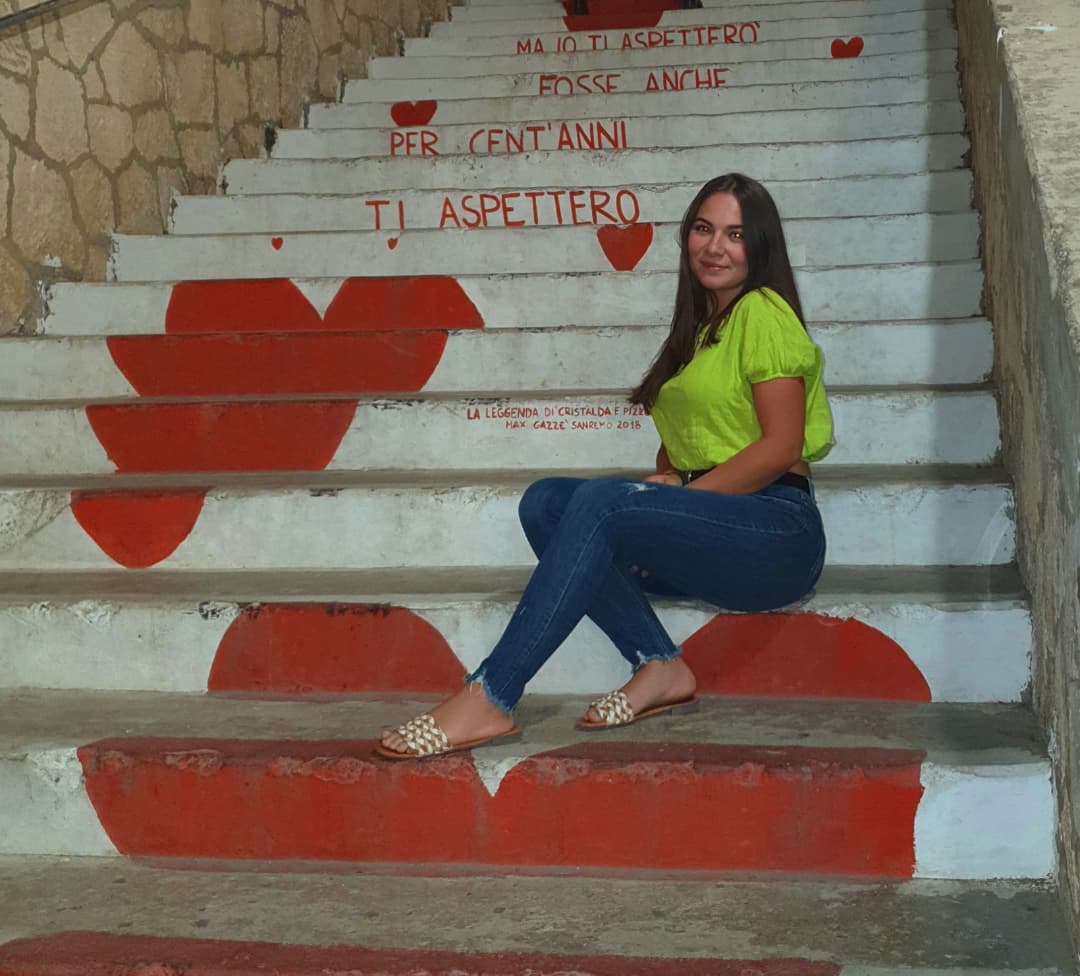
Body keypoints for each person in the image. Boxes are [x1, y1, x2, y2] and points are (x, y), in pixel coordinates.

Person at [377, 172, 834, 760]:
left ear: (760, 246)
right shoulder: (699, 330)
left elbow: (780, 447)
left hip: (777, 534)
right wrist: (669, 490)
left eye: (736, 234)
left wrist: (677, 499)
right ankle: (659, 664)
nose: (714, 246)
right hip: (715, 534)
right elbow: (689, 441)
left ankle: (492, 693)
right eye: (703, 229)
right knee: (547, 503)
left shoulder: (763, 312)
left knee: (603, 503)